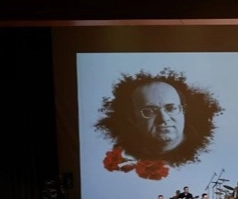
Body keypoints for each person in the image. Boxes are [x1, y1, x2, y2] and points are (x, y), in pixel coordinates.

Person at [95, 70, 223, 175]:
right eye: (150, 111)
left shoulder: (205, 152)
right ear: (134, 118)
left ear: (183, 111)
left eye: (171, 108)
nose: (164, 118)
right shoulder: (127, 153)